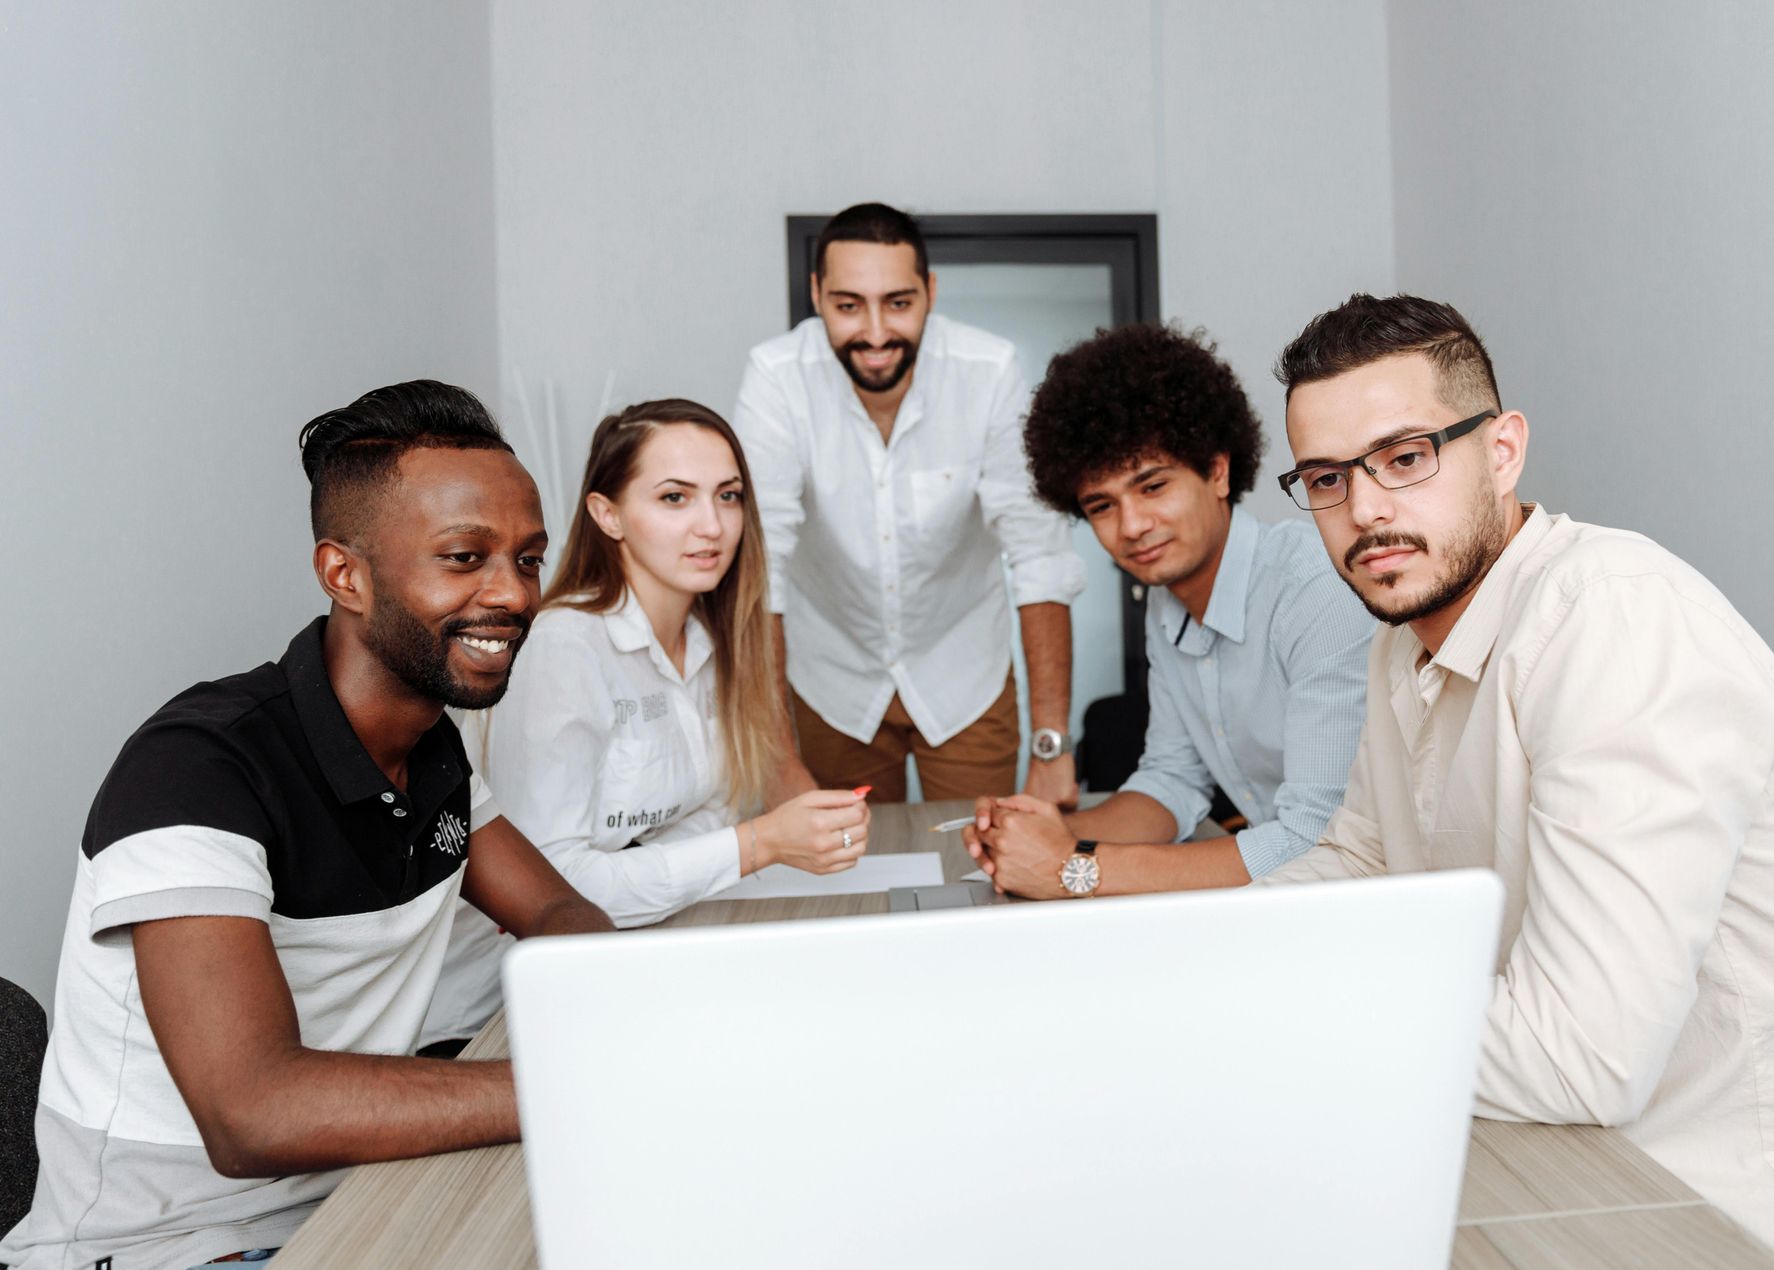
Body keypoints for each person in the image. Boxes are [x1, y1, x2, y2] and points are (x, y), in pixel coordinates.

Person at [1264, 294, 1774, 1270]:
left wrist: (1297, 1008)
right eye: (1327, 478)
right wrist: (1200, 966)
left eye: (1407, 456)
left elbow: (1578, 1054)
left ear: (1503, 450)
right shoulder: (1405, 638)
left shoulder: (1618, 623)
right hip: (1544, 1161)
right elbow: (1361, 861)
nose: (1367, 509)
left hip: (1718, 1223)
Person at [0, 382, 616, 1270]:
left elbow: (557, 908)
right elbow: (254, 1114)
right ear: (345, 575)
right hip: (169, 1252)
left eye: (527, 560)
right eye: (463, 557)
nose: (512, 594)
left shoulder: (431, 747)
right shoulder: (197, 769)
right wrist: (570, 1085)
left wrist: (614, 1015)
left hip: (356, 1196)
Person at [422, 400, 872, 1045]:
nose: (711, 526)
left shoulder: (711, 641)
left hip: (646, 959)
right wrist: (759, 844)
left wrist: (772, 832)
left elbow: (702, 813)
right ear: (608, 514)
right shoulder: (563, 649)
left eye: (728, 495)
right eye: (674, 498)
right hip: (501, 1015)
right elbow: (556, 889)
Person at [963, 324, 1373, 898]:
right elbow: (1172, 783)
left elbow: (1314, 840)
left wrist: (1071, 869)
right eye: (1102, 506)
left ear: (1217, 471)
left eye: (1153, 486)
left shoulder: (1315, 590)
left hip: (1367, 909)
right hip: (1283, 904)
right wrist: (1041, 835)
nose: (1131, 527)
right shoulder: (1166, 604)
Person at [732, 201, 1086, 807]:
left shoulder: (988, 370)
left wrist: (1051, 745)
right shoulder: (777, 377)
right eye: (848, 306)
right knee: (845, 883)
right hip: (829, 678)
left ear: (930, 291)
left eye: (898, 303)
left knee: (988, 868)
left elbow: (1039, 555)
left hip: (964, 673)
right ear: (817, 295)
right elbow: (763, 567)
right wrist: (780, 758)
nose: (874, 333)